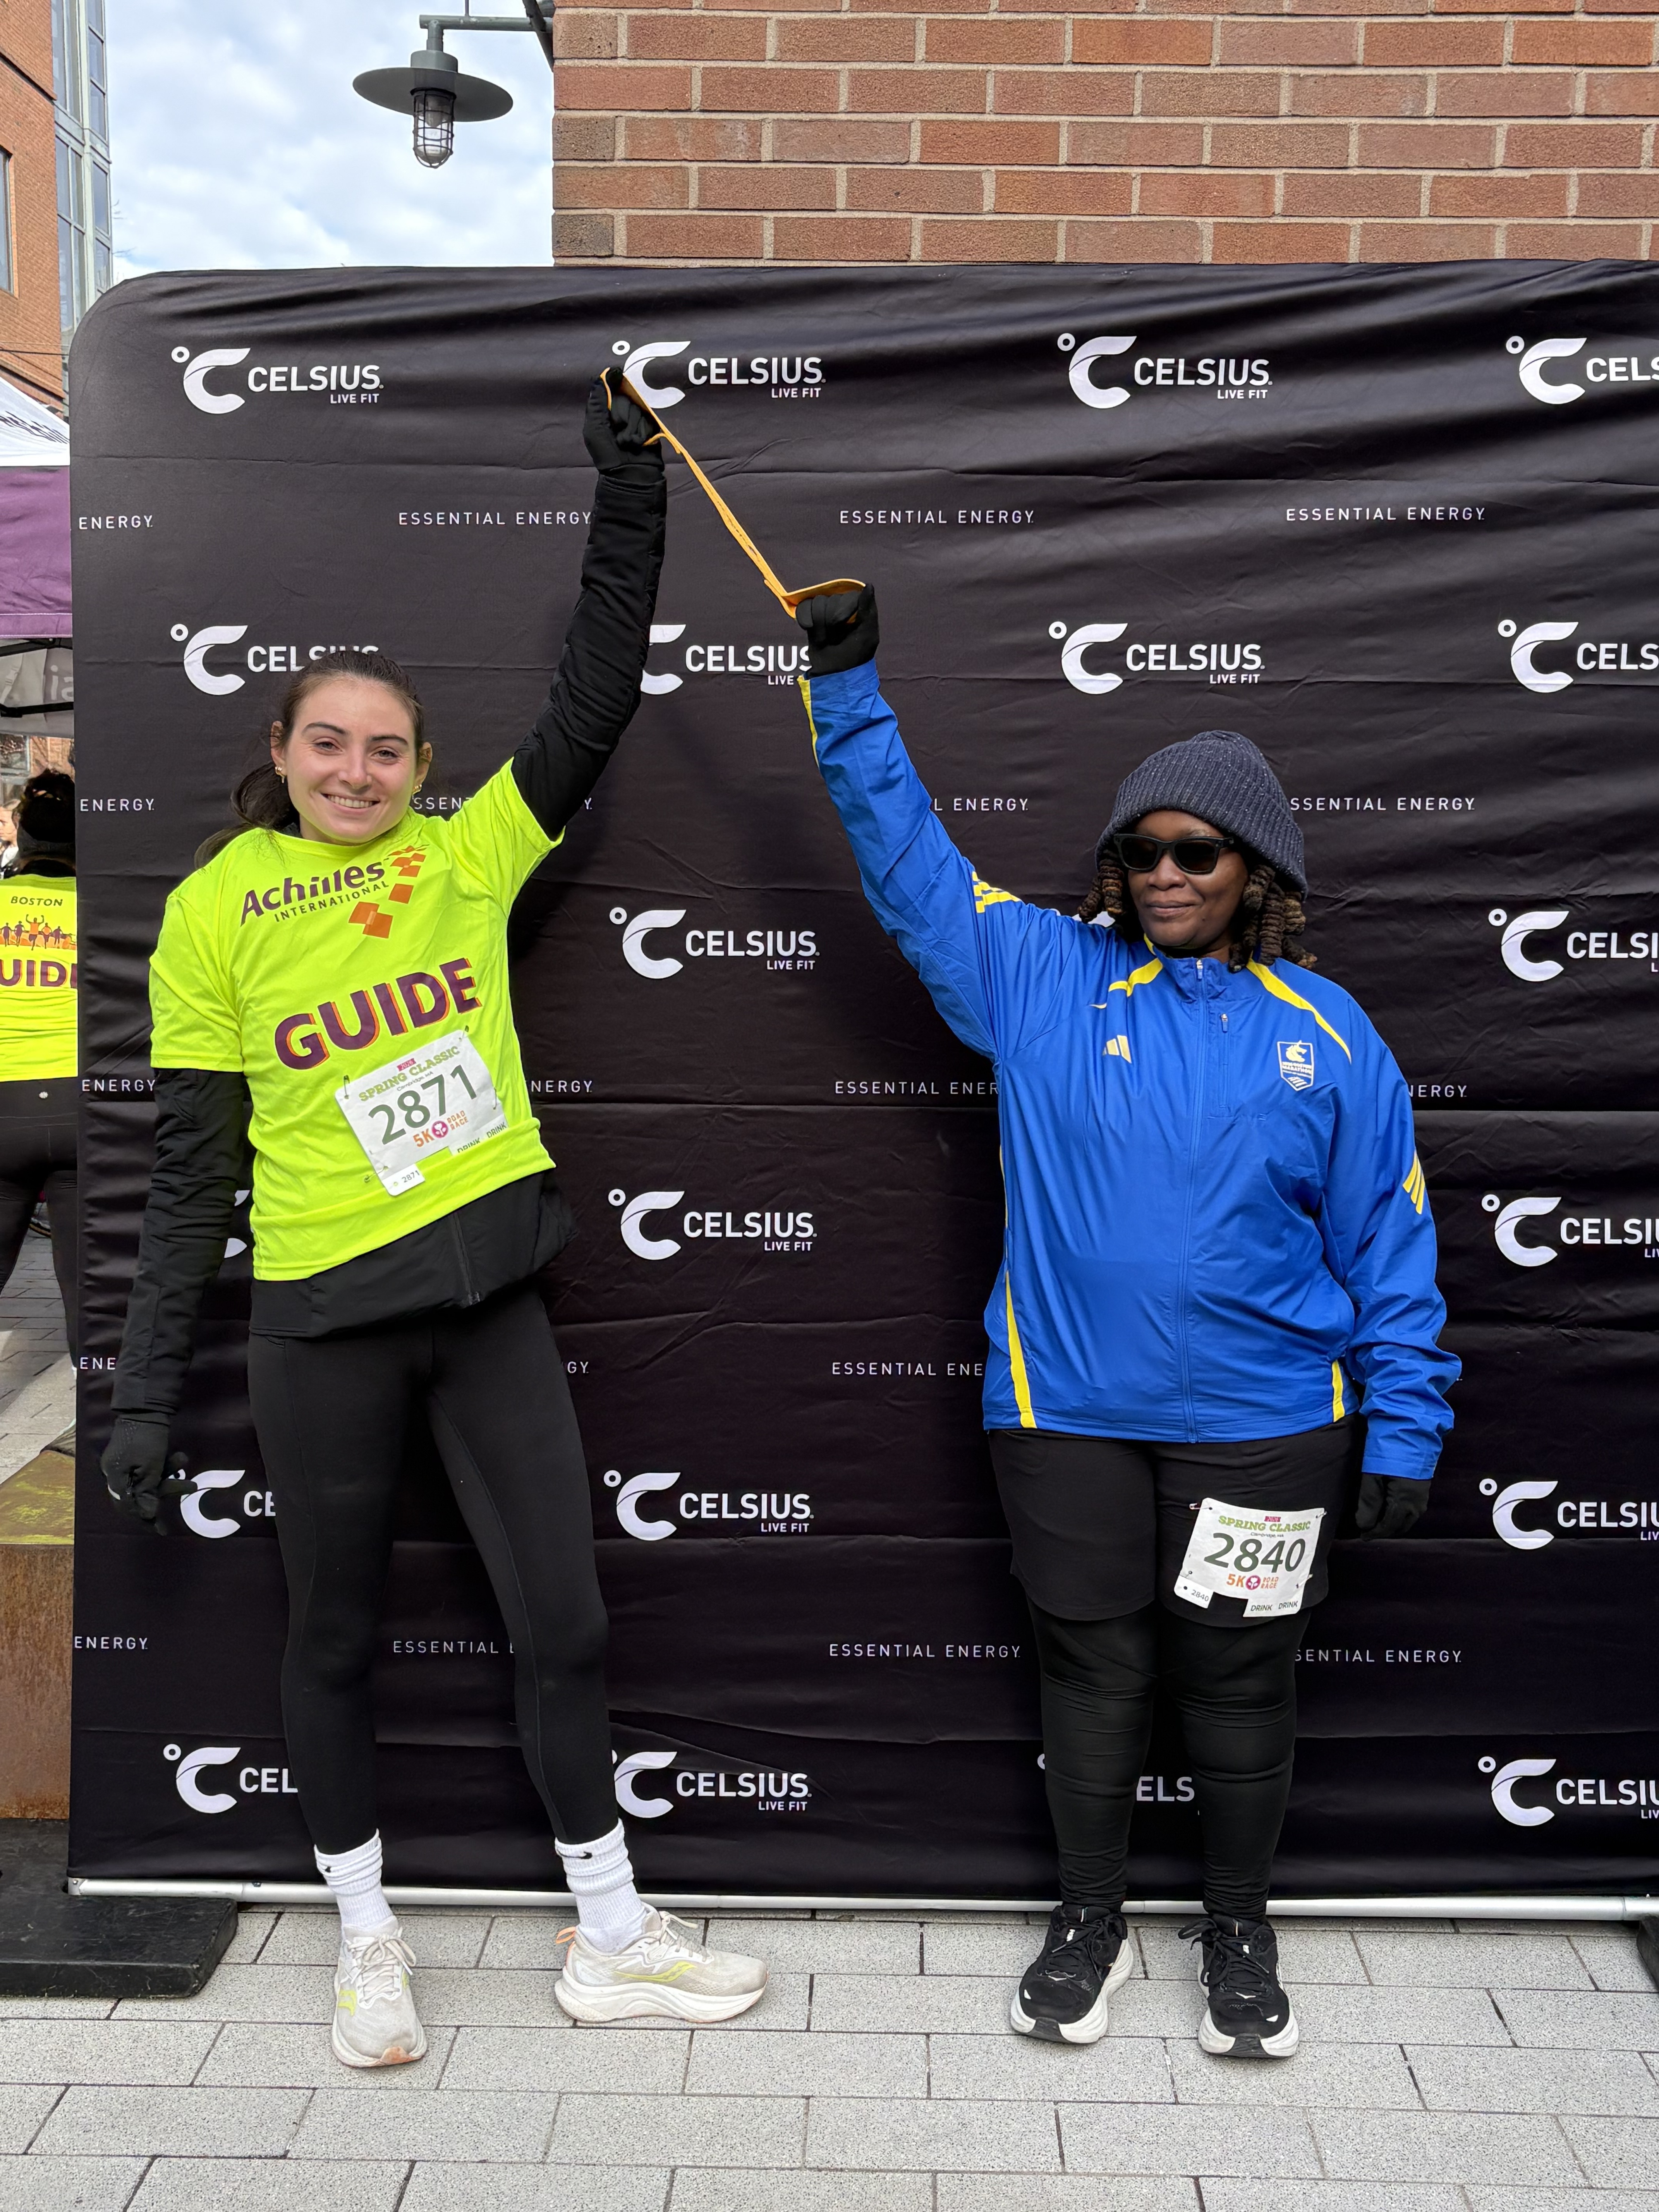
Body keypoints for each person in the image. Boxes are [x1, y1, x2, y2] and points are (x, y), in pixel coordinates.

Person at [100, 380, 767, 2068]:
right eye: (328, 741)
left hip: (483, 1307)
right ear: (280, 755)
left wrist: (631, 493)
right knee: (329, 1638)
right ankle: (368, 1940)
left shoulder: (468, 858)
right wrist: (136, 1386)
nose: (357, 768)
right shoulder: (210, 912)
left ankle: (610, 1934)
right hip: (320, 1319)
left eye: (387, 746)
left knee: (569, 1622)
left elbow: (598, 693)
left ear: (420, 766)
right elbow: (188, 1168)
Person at [793, 586, 1457, 2060]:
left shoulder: (1331, 1030)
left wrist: (1407, 1418)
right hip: (1068, 1415)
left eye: (1193, 850)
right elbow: (907, 862)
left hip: (1273, 1429)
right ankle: (1085, 1919)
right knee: (1091, 1675)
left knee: (1235, 1681)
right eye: (1139, 849)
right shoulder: (1036, 976)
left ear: (1253, 867)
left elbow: (1388, 1241)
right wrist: (844, 686)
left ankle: (1237, 1927)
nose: (1162, 871)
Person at [0, 771, 79, 1355]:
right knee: (89, 1293)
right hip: (82, 1109)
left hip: (4, 1108)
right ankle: (100, 1421)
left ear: (20, 839)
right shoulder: (106, 908)